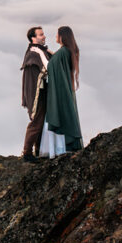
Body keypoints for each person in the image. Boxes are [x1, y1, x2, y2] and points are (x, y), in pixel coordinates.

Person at [40, 26, 83, 157]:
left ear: (63, 36)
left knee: (59, 115)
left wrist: (40, 52)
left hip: (60, 91)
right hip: (66, 89)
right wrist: (51, 52)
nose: (55, 37)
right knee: (67, 114)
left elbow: (51, 65)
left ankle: (59, 150)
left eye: (57, 35)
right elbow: (58, 60)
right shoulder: (69, 50)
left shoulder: (63, 52)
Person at [21, 26, 52, 161]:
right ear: (33, 38)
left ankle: (39, 150)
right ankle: (27, 153)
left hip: (43, 92)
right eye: (41, 35)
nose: (44, 36)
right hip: (37, 94)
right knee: (36, 122)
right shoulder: (34, 53)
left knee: (42, 121)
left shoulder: (41, 51)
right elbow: (46, 68)